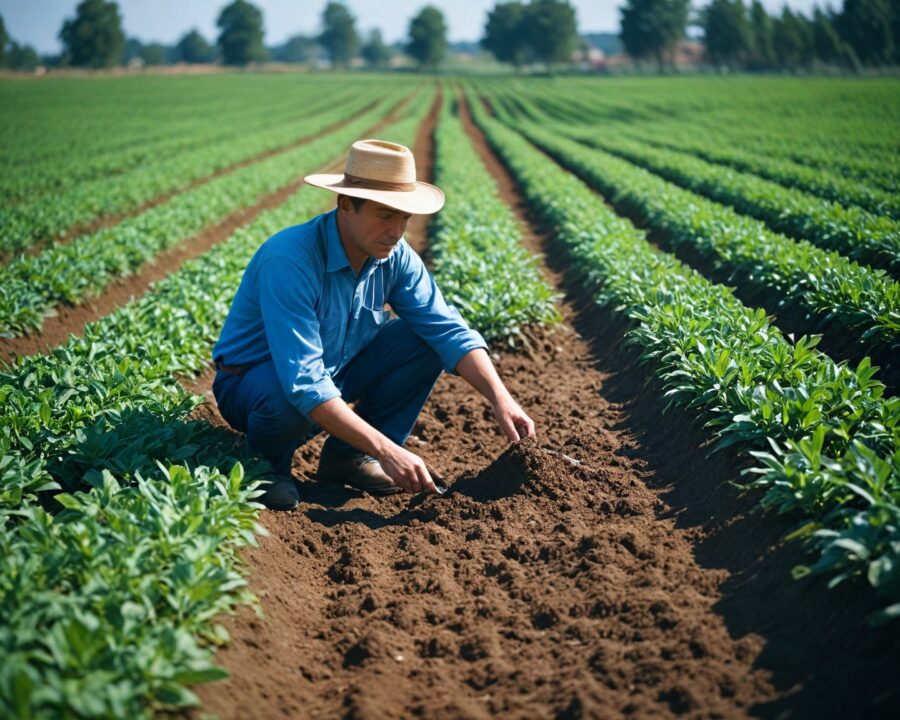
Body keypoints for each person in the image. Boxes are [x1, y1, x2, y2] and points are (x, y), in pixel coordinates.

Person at [211, 138, 535, 510]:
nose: (396, 231)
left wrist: (500, 397)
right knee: (286, 398)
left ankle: (348, 458)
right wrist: (388, 450)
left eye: (404, 218)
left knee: (424, 338)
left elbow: (447, 329)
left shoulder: (394, 256)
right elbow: (303, 381)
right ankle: (266, 467)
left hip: (333, 372)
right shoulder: (290, 260)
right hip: (253, 384)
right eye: (385, 214)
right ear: (345, 205)